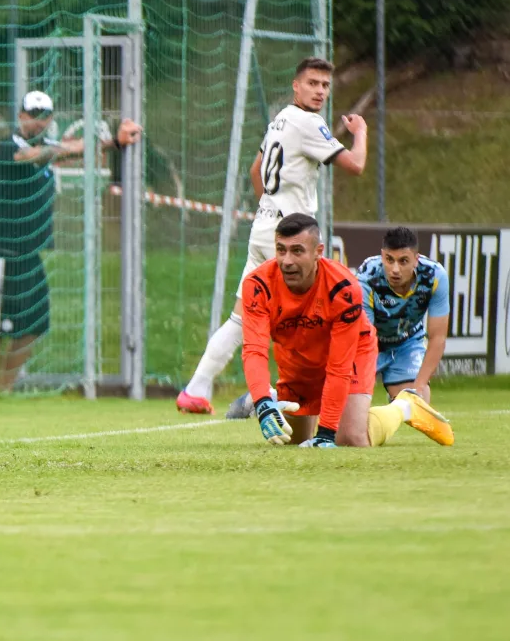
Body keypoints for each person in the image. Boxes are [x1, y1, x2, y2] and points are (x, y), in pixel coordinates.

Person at [179, 57, 368, 415]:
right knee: (310, 315)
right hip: (291, 239)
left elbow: (256, 170)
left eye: (325, 86)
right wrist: (360, 133)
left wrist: (268, 211)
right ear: (296, 86)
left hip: (266, 228)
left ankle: (197, 388)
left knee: (243, 317)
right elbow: (355, 166)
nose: (320, 91)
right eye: (312, 83)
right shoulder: (309, 123)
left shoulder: (279, 118)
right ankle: (273, 395)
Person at [240, 214, 451, 448]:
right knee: (291, 440)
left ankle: (405, 406)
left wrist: (327, 432)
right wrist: (261, 401)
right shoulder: (257, 285)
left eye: (297, 251)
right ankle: (268, 397)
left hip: (352, 352)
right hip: (297, 358)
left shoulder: (344, 287)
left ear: (318, 252)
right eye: (281, 250)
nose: (287, 261)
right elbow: (254, 349)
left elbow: (339, 365)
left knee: (350, 438)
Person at [0, 90, 140, 392]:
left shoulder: (49, 147)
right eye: (32, 116)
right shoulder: (8, 147)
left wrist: (115, 142)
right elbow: (34, 155)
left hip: (30, 253)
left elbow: (72, 148)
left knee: (36, 323)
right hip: (3, 251)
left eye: (44, 117)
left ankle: (4, 389)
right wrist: (66, 149)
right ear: (21, 116)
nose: (38, 123)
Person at [354, 226, 455, 443]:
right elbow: (363, 337)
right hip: (368, 344)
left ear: (416, 260)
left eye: (403, 261)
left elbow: (438, 338)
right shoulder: (367, 274)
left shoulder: (435, 276)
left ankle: (398, 407)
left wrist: (418, 388)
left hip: (406, 343)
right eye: (389, 260)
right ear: (382, 256)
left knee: (421, 400)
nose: (395, 269)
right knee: (350, 412)